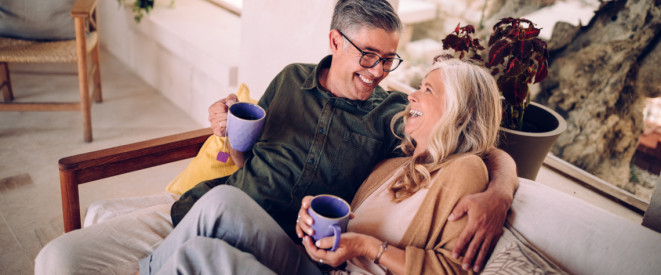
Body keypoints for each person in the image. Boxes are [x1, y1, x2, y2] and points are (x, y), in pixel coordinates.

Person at [35, 0, 516, 273]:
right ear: (335, 42)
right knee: (61, 257)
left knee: (207, 237)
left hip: (289, 242)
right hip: (224, 207)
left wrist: (499, 191)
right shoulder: (290, 79)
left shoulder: (391, 115)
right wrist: (227, 134)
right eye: (369, 55)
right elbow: (247, 159)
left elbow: (475, 141)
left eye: (389, 60)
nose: (380, 72)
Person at [139, 57, 503, 274]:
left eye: (427, 89)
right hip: (321, 264)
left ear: (463, 111)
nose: (411, 94)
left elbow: (452, 270)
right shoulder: (398, 157)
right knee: (222, 201)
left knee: (201, 255)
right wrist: (310, 218)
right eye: (419, 86)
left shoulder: (465, 170)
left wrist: (365, 247)